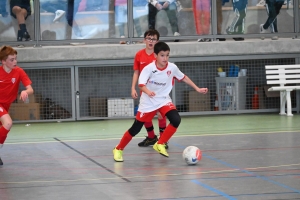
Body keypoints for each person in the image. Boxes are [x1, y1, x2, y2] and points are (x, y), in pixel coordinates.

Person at [113, 41, 208, 162]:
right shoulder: (149, 69)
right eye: (162, 55)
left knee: (176, 119)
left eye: (167, 55)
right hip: (148, 101)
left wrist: (197, 88)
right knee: (135, 129)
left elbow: (184, 77)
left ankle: (160, 143)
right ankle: (118, 149)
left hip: (163, 99)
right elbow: (141, 85)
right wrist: (148, 92)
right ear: (155, 55)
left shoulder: (172, 67)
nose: (165, 58)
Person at [131, 29, 168, 149]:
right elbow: (136, 72)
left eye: (154, 39)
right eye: (149, 38)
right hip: (145, 91)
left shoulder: (159, 56)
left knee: (161, 114)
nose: (151, 41)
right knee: (146, 115)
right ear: (144, 40)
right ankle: (151, 137)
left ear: (157, 41)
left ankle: (163, 140)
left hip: (158, 90)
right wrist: (133, 88)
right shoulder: (139, 55)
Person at [0, 45, 34, 165]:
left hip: (6, 105)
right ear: (3, 61)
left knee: (4, 127)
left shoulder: (19, 71)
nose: (15, 61)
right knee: (8, 123)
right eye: (11, 59)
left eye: (15, 58)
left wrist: (25, 91)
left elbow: (30, 89)